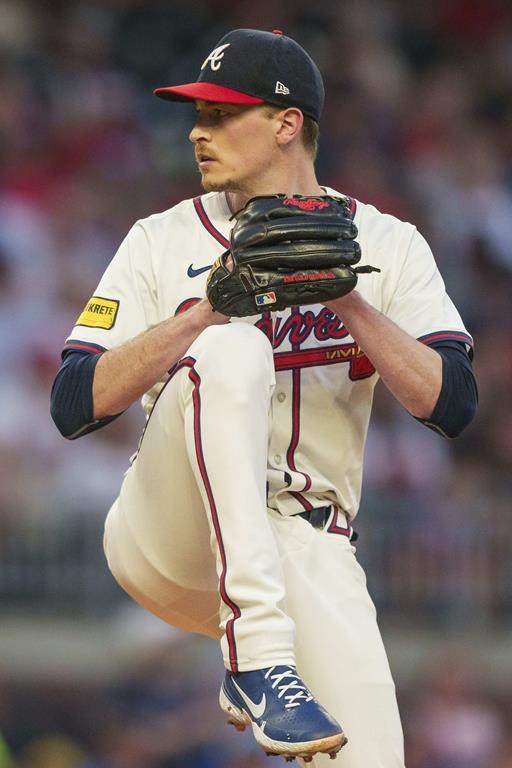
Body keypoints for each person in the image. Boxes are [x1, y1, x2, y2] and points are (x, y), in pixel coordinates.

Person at [50, 28, 478, 768]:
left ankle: (255, 648)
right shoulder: (159, 239)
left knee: (374, 758)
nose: (197, 130)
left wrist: (349, 301)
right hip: (172, 534)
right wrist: (205, 312)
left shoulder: (384, 242)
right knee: (231, 346)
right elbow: (73, 401)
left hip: (307, 544)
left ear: (286, 124)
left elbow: (452, 403)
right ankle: (256, 656)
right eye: (197, 114)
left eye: (220, 114)